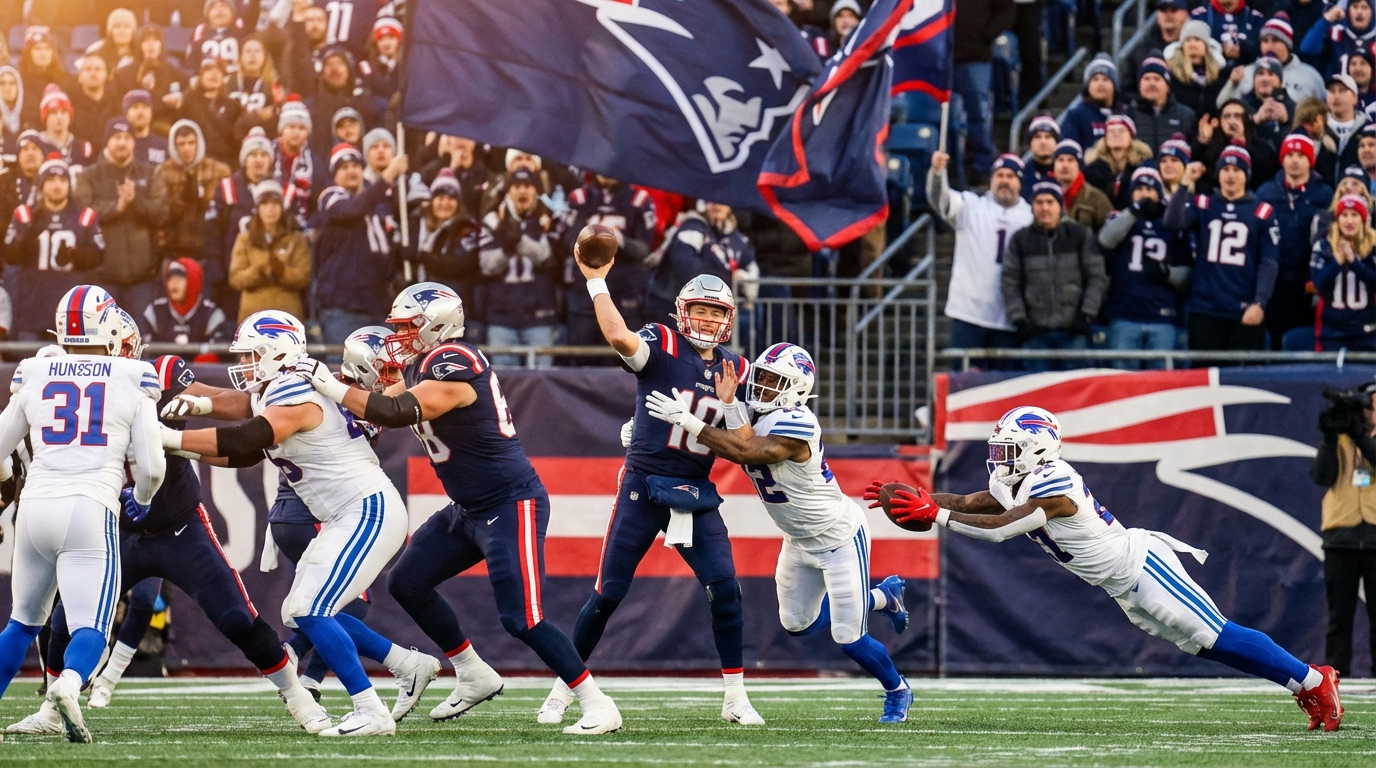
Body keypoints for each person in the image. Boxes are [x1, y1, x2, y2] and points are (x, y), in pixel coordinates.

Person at [879, 405, 1343, 732]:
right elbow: (965, 502)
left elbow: (1000, 528)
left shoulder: (1054, 481)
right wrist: (915, 498)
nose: (999, 458)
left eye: (1008, 448)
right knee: (1208, 645)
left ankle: (1315, 680)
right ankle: (1301, 682)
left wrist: (934, 516)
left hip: (1141, 566)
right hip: (1122, 585)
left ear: (1036, 447)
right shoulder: (1015, 478)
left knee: (1218, 633)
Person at [292, 282, 624, 733]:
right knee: (407, 581)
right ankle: (472, 671)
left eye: (409, 327)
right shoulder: (422, 367)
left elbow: (396, 411)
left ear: (438, 325)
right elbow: (383, 405)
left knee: (522, 618)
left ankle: (595, 701)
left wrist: (330, 384)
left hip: (511, 502)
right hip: (468, 508)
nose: (400, 337)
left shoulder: (457, 360)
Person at [5, 342, 328, 734]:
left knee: (236, 616)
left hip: (178, 524)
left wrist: (201, 406)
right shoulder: (91, 384)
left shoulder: (155, 374)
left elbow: (233, 403)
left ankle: (298, 697)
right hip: (117, 525)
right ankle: (53, 712)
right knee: (65, 621)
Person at [161, 310, 439, 737]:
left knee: (311, 608)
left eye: (253, 354)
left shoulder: (293, 388)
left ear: (279, 351)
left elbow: (247, 437)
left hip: (366, 510)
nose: (246, 365)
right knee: (300, 611)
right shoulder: (276, 388)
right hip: (348, 514)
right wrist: (186, 439)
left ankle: (370, 709)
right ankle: (405, 665)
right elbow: (245, 450)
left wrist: (170, 438)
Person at [645, 341, 912, 720]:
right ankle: (883, 597)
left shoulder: (798, 423)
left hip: (838, 537)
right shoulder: (753, 409)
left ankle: (897, 689)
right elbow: (735, 435)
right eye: (763, 377)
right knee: (796, 624)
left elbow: (749, 452)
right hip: (798, 540)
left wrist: (689, 421)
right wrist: (645, 430)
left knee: (848, 638)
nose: (763, 386)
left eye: (775, 380)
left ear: (797, 390)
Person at [547, 265, 763, 726]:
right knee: (608, 594)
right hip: (643, 484)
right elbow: (617, 335)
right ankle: (565, 689)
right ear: (683, 312)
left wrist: (725, 406)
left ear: (728, 318)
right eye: (700, 311)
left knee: (725, 589)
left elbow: (745, 444)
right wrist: (597, 281)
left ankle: (735, 697)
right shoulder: (663, 342)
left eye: (715, 312)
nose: (706, 321)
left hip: (695, 489)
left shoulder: (736, 368)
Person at [0, 284, 165, 743]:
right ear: (109, 324)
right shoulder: (132, 375)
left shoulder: (36, 369)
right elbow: (152, 466)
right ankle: (69, 685)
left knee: (21, 622)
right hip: (90, 505)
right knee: (90, 626)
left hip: (34, 507)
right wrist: (145, 499)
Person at [1165, 144, 1280, 352]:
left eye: (1237, 170)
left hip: (1243, 309)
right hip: (1205, 308)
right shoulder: (1204, 203)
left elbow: (1269, 261)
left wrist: (1260, 302)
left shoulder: (1262, 212)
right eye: (1225, 169)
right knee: (1203, 375)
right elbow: (1173, 222)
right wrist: (1185, 183)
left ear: (1247, 175)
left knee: (1240, 379)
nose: (1230, 175)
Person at [929, 151, 1032, 364]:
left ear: (1020, 182)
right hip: (969, 314)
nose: (1004, 181)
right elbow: (941, 200)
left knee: (1003, 390)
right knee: (963, 387)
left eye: (1011, 176)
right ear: (991, 180)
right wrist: (938, 174)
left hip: (1009, 319)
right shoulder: (971, 206)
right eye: (999, 175)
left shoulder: (1031, 217)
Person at [1002, 182, 1108, 372]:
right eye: (1039, 202)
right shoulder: (1021, 239)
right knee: (1037, 395)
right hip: (1035, 334)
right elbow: (1010, 281)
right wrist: (1020, 320)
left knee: (1075, 393)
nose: (1044, 208)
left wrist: (1086, 315)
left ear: (1060, 205)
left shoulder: (1080, 235)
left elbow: (1096, 277)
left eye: (1050, 202)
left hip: (1073, 332)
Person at [1309, 386, 1376, 678]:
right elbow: (1321, 476)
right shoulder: (1340, 439)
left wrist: (1361, 435)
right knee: (1339, 619)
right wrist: (1329, 438)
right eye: (1370, 407)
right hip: (1340, 539)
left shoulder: (1362, 438)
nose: (1372, 413)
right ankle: (1335, 678)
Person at [313, 143, 408, 345]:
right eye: (344, 167)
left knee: (383, 375)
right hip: (343, 308)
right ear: (335, 175)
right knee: (345, 373)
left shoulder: (379, 208)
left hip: (378, 306)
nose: (351, 171)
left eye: (355, 166)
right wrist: (387, 176)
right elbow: (353, 211)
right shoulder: (331, 197)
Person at [1097, 168, 1191, 369]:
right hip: (1125, 314)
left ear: (1159, 193)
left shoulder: (1172, 223)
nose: (1144, 194)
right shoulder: (1120, 218)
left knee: (1161, 387)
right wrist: (1133, 211)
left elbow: (1187, 271)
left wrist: (1168, 274)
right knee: (1121, 384)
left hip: (1162, 316)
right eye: (1138, 188)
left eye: (1149, 189)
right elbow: (1105, 240)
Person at [76, 117, 169, 318]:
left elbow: (161, 213)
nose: (122, 142)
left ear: (133, 142)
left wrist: (135, 201)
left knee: (142, 341)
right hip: (103, 277)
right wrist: (116, 207)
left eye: (127, 137)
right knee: (105, 341)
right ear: (107, 142)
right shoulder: (89, 175)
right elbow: (82, 213)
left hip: (143, 278)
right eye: (116, 137)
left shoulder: (150, 173)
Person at [2, 156, 103, 342]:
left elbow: (98, 256)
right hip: (32, 307)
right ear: (41, 184)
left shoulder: (84, 215)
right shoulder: (24, 214)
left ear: (69, 184)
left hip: (71, 311)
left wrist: (74, 254)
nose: (57, 185)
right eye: (51, 180)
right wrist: (29, 235)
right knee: (30, 366)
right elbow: (11, 257)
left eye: (62, 180)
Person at [472, 168, 561, 367]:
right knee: (505, 385)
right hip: (502, 317)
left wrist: (519, 241)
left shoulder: (548, 220)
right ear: (508, 191)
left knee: (541, 381)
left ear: (536, 191)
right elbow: (486, 266)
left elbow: (547, 258)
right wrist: (506, 250)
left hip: (540, 316)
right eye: (517, 186)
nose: (522, 191)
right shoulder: (493, 222)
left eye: (528, 186)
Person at [1256, 134, 1332, 348]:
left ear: (1310, 160)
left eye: (1301, 155)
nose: (1295, 160)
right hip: (1275, 281)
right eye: (1290, 154)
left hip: (1307, 282)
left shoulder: (1325, 195)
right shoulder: (1265, 192)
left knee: (1301, 338)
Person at [563, 175, 657, 347]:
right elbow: (568, 241)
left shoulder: (640, 200)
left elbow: (643, 249)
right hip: (584, 294)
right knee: (581, 360)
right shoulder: (580, 197)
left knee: (621, 359)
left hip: (624, 293)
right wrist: (593, 239)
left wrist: (618, 238)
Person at [646, 201, 759, 329]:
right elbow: (687, 268)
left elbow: (752, 279)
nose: (717, 205)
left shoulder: (737, 239)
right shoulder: (692, 227)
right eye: (712, 200)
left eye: (723, 201)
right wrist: (728, 279)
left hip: (708, 312)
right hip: (670, 305)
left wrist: (740, 281)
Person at [405, 170, 481, 339]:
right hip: (419, 311)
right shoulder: (417, 225)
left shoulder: (466, 228)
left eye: (451, 198)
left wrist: (422, 257)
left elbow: (459, 265)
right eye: (440, 198)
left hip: (452, 312)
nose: (445, 203)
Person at [157, 119, 232, 286]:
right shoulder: (163, 172)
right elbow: (158, 216)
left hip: (207, 253)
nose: (186, 148)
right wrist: (180, 200)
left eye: (191, 142)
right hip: (173, 253)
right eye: (181, 144)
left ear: (199, 142)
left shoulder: (220, 171)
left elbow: (226, 214)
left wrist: (204, 198)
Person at [229, 180, 313, 323]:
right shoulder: (244, 239)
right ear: (258, 208)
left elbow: (304, 277)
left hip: (287, 318)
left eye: (275, 204)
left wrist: (282, 271)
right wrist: (259, 271)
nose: (270, 209)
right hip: (253, 319)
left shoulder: (296, 238)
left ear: (282, 207)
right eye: (265, 204)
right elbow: (236, 278)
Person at [952, 0, 1015, 183]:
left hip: (975, 56)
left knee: (977, 114)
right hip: (941, 58)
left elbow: (1006, 10)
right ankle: (951, 167)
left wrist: (985, 35)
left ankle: (982, 165)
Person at [207, 128, 276, 285]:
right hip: (233, 273)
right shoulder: (227, 188)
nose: (259, 160)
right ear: (245, 159)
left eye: (264, 155)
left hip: (271, 277)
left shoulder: (281, 190)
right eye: (253, 155)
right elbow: (213, 231)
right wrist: (215, 267)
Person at [1310, 195, 1376, 350]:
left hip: (1367, 330)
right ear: (1337, 219)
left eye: (1354, 215)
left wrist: (1354, 263)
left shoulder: (1373, 247)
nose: (1349, 221)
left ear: (1363, 219)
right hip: (1332, 331)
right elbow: (1317, 284)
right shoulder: (1323, 246)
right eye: (1344, 215)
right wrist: (1337, 262)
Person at [1193, 99, 1279, 192]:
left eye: (1237, 116)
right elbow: (1195, 170)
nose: (1231, 121)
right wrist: (1202, 142)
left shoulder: (1260, 145)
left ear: (1246, 120)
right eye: (1227, 116)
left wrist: (1241, 143)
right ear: (1219, 121)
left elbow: (1264, 175)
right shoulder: (1210, 144)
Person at [112, 25, 186, 134]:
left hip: (164, 125)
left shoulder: (175, 73)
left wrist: (181, 98)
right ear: (139, 45)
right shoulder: (123, 73)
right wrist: (142, 88)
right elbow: (118, 104)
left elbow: (188, 98)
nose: (151, 45)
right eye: (146, 41)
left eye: (155, 40)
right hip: (131, 126)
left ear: (161, 45)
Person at [141, 258, 229, 346]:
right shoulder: (155, 312)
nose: (174, 283)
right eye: (170, 278)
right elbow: (144, 350)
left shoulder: (211, 314)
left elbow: (220, 353)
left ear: (193, 281)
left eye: (180, 278)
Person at [1125, 53, 1197, 153]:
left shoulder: (1186, 116)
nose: (1151, 83)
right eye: (1146, 79)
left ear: (1167, 86)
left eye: (1157, 79)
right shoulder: (1127, 115)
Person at [274, 99, 329, 227]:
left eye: (302, 128)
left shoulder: (315, 162)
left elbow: (319, 202)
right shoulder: (267, 155)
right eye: (291, 127)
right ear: (282, 129)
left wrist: (310, 227)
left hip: (301, 227)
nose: (296, 132)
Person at [1085, 115, 1156, 210]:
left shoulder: (1142, 167)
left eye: (1121, 131)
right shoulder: (1093, 169)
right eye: (1111, 131)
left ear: (1131, 136)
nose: (1116, 135)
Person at [184, 58, 242, 167]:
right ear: (200, 76)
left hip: (227, 162)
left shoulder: (233, 105)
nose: (214, 74)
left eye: (219, 71)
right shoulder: (189, 103)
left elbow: (236, 140)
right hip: (198, 161)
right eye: (209, 70)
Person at [1166, 21, 1229, 120]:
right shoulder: (1172, 72)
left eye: (1197, 39)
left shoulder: (1221, 73)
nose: (1192, 44)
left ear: (1206, 45)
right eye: (1188, 40)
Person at [1060, 54, 1121, 150]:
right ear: (1087, 86)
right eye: (1095, 79)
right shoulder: (1076, 115)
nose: (1100, 84)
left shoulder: (1126, 114)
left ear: (1114, 85)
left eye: (1105, 79)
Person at [1125, 0, 1189, 91]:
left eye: (1174, 10)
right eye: (1163, 10)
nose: (1168, 15)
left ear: (1185, 14)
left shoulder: (1193, 49)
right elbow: (1128, 87)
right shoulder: (1142, 50)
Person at [1300, 0, 1376, 76]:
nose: (1359, 12)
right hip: (1336, 86)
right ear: (1348, 10)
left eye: (1364, 7)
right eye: (1355, 7)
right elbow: (1307, 49)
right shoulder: (1336, 33)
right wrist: (1326, 19)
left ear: (1372, 12)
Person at [1052, 140, 1112, 232]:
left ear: (1078, 165)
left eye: (1070, 160)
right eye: (1060, 160)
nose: (1065, 165)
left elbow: (1110, 233)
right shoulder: (1045, 196)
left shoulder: (1096, 199)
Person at [1235, 57, 1296, 147]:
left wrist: (1287, 122)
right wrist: (1254, 121)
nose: (1265, 78)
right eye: (1260, 74)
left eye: (1271, 74)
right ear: (1254, 80)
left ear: (1280, 81)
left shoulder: (1293, 107)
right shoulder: (1240, 106)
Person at [39, 86, 97, 172]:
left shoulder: (83, 147)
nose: (59, 117)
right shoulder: (37, 147)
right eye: (53, 112)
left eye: (64, 112)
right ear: (45, 117)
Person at [1189, 0, 1265, 65]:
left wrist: (1242, 50)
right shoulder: (1199, 16)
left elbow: (1260, 49)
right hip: (1210, 74)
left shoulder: (1255, 18)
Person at [1324, 74, 1368, 183]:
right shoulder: (1316, 129)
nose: (1336, 96)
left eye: (1342, 91)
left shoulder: (1368, 130)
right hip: (1323, 196)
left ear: (1355, 98)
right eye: (1332, 91)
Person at [69, 55, 119, 151]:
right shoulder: (71, 103)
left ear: (106, 75)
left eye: (98, 69)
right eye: (88, 69)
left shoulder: (115, 103)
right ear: (80, 76)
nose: (93, 73)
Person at [190, 0, 247, 73]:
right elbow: (192, 61)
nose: (219, 10)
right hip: (206, 81)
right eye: (213, 7)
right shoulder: (201, 33)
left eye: (224, 6)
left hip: (234, 80)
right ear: (207, 14)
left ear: (233, 13)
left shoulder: (240, 33)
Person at [359, 16, 403, 100]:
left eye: (391, 37)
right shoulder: (367, 67)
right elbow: (366, 96)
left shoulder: (408, 66)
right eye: (381, 39)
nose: (386, 43)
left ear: (399, 40)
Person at [124, 91, 169, 166]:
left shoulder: (164, 146)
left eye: (145, 107)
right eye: (135, 107)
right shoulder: (120, 146)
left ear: (151, 112)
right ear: (126, 114)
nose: (140, 112)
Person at [1022, 116, 1059, 199]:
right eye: (1037, 137)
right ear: (1030, 143)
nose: (1043, 142)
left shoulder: (1065, 173)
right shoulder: (1021, 174)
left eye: (1048, 137)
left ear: (1056, 142)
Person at [1157, 135, 1194, 202]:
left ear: (1186, 166)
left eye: (1174, 160)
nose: (1168, 165)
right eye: (1163, 161)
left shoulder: (1197, 197)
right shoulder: (1155, 198)